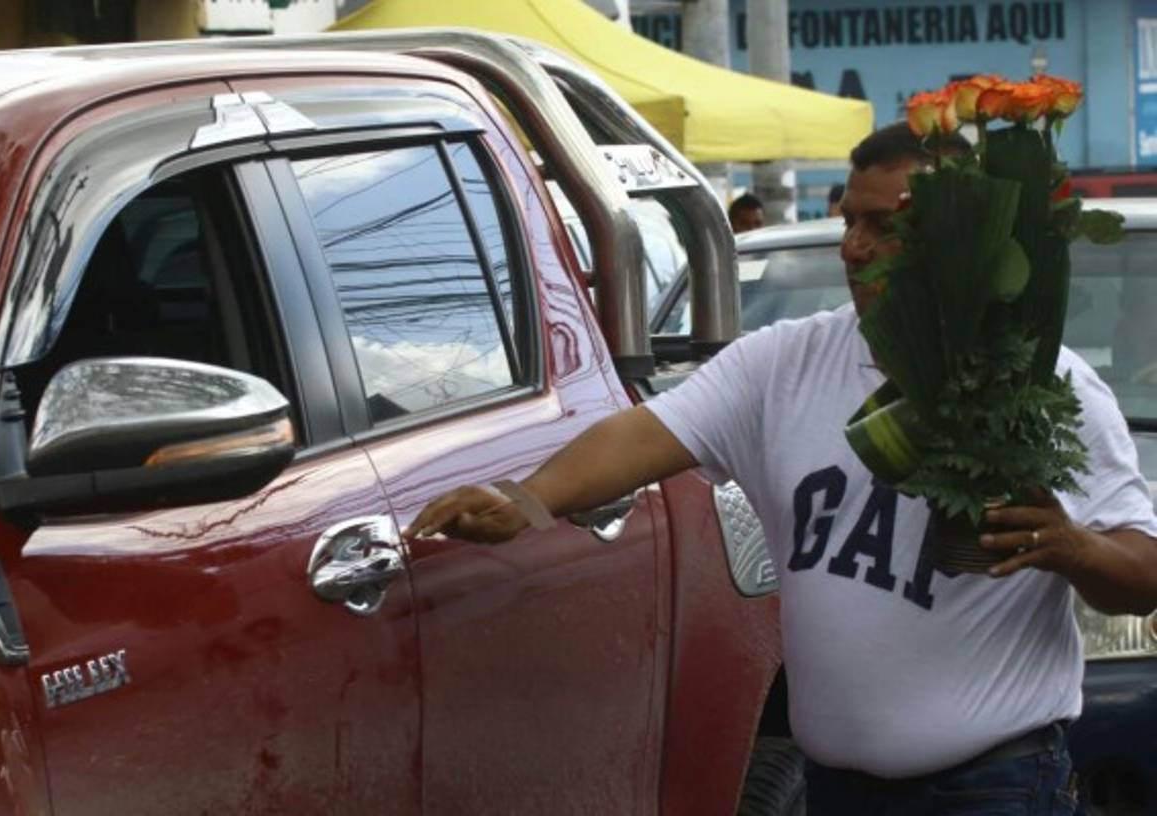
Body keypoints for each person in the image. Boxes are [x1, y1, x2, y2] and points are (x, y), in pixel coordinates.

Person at [405, 122, 1157, 814]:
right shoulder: (785, 361)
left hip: (992, 787)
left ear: (960, 238)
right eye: (850, 221)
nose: (854, 247)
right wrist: (530, 500)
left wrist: (1073, 547)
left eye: (885, 227)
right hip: (833, 789)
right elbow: (645, 433)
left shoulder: (1045, 385)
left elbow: (1143, 572)